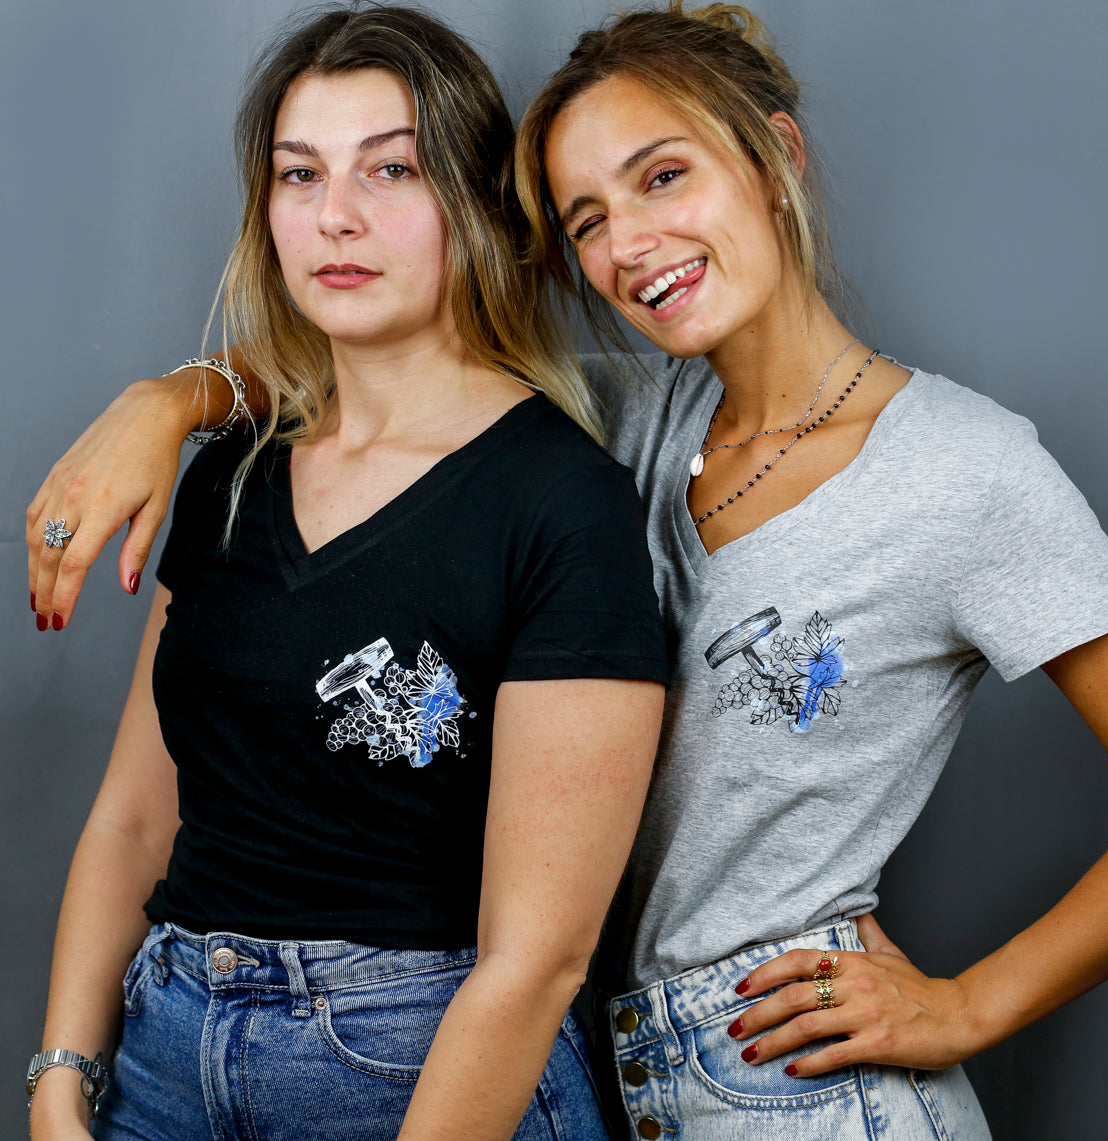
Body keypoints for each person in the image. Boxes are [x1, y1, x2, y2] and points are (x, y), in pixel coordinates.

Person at [27, 3, 1108, 1139]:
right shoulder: (637, 418)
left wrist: (968, 1004)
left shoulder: (965, 472)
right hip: (587, 1059)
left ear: (778, 159)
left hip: (790, 1086)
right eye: (588, 219)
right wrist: (175, 398)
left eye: (664, 177)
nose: (632, 244)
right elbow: (385, 345)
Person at [25, 7, 667, 1141]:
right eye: (298, 174)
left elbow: (538, 958)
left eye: (392, 169)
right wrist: (63, 1077)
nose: (336, 216)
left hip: (414, 1067)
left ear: (473, 201)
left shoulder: (562, 502)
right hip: (163, 1055)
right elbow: (135, 818)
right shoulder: (231, 466)